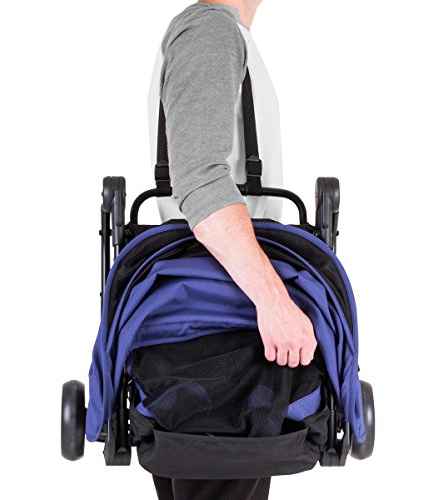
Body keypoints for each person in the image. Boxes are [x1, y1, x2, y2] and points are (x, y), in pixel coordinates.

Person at [146, 1, 318, 498]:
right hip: (224, 339)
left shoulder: (220, 33)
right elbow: (200, 180)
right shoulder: (210, 31)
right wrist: (274, 301)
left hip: (211, 332)